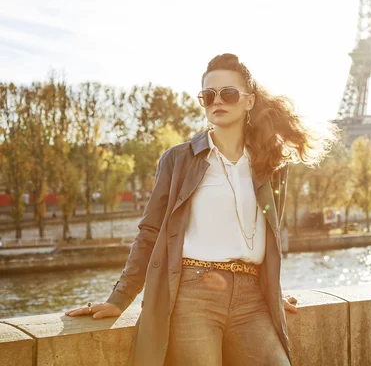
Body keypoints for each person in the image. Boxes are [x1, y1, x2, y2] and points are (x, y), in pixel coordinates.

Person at [65, 53, 337, 366]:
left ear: (249, 101)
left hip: (252, 298)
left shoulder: (269, 164)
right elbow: (151, 231)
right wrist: (120, 297)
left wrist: (272, 289)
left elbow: (267, 236)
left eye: (228, 93)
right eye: (208, 95)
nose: (216, 101)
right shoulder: (179, 159)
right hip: (193, 295)